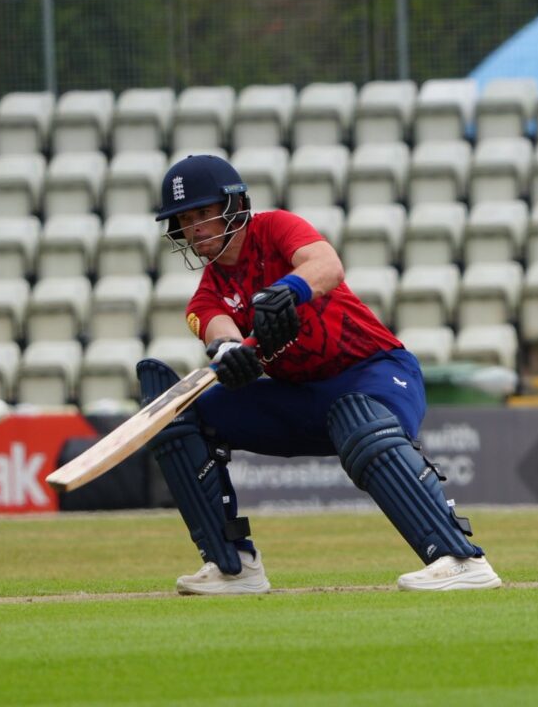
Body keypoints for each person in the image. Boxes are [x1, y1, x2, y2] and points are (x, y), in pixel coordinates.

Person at [142, 153, 500, 594]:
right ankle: (233, 566)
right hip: (304, 398)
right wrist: (231, 354)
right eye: (184, 220)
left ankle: (460, 559)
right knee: (186, 416)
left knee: (359, 419)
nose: (195, 229)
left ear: (233, 206)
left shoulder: (275, 228)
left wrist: (286, 291)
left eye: (203, 214)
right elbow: (218, 328)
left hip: (375, 371)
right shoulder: (205, 296)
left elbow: (325, 265)